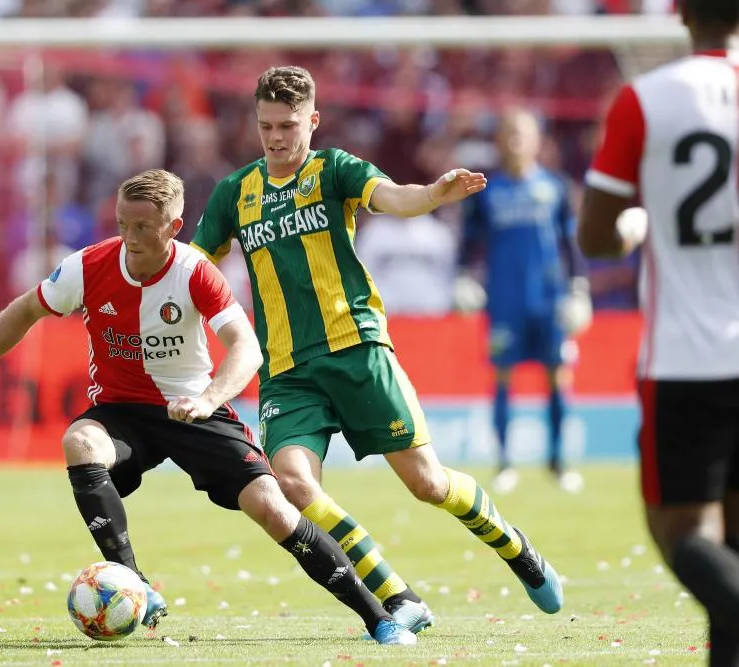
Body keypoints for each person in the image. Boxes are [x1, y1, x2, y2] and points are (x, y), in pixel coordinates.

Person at [0, 169, 418, 646]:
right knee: (79, 441)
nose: (130, 237)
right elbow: (24, 310)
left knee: (274, 510)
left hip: (194, 410)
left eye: (143, 227)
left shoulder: (194, 272)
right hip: (123, 413)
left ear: (173, 226)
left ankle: (379, 619)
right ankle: (134, 582)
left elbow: (246, 348)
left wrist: (208, 399)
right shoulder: (87, 266)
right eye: (123, 224)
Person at [191, 66, 564, 635]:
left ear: (312, 121)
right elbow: (196, 267)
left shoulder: (334, 169)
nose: (276, 137)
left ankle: (515, 545)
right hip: (287, 370)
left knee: (429, 485)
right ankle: (396, 595)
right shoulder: (233, 194)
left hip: (357, 351)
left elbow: (393, 197)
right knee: (291, 484)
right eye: (266, 125)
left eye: (288, 125)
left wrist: (436, 194)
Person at [578, 1, 739, 662]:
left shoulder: (645, 100)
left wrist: (637, 225)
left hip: (685, 355)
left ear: (679, 15)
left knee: (680, 531)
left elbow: (595, 236)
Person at [456, 108, 590, 495]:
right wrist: (464, 277)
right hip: (505, 301)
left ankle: (559, 461)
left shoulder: (556, 187)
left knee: (558, 375)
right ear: (499, 141)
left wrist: (579, 288)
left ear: (537, 141)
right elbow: (470, 241)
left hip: (551, 301)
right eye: (509, 133)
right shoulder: (487, 193)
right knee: (502, 375)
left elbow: (570, 244)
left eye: (523, 133)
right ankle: (504, 463)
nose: (516, 140)